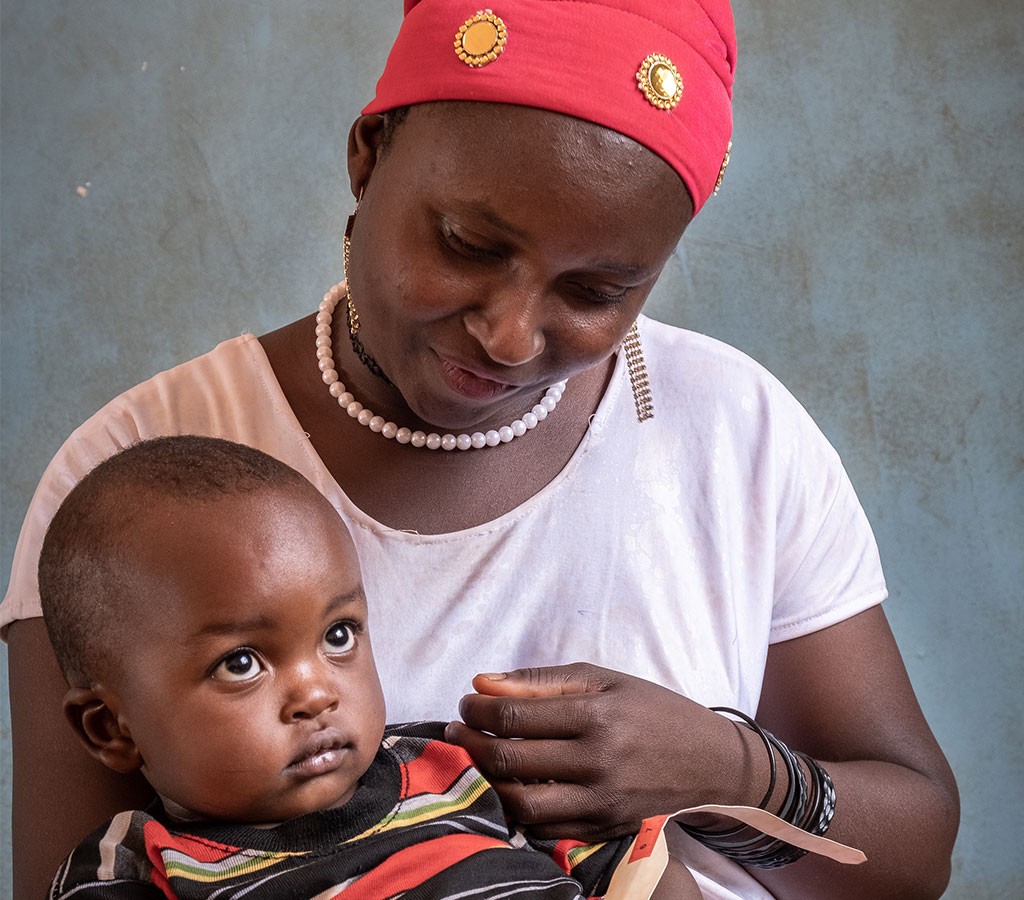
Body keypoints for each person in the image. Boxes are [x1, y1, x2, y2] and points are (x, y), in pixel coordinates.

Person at [4, 2, 959, 898]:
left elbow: (905, 866)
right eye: (466, 243)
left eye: (595, 292)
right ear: (368, 155)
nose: (509, 336)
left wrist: (732, 771)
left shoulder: (734, 429)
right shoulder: (135, 481)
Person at [40, 435, 701, 899]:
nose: (316, 692)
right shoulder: (136, 867)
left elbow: (637, 868)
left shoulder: (458, 768)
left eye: (338, 633)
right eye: (241, 663)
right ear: (111, 728)